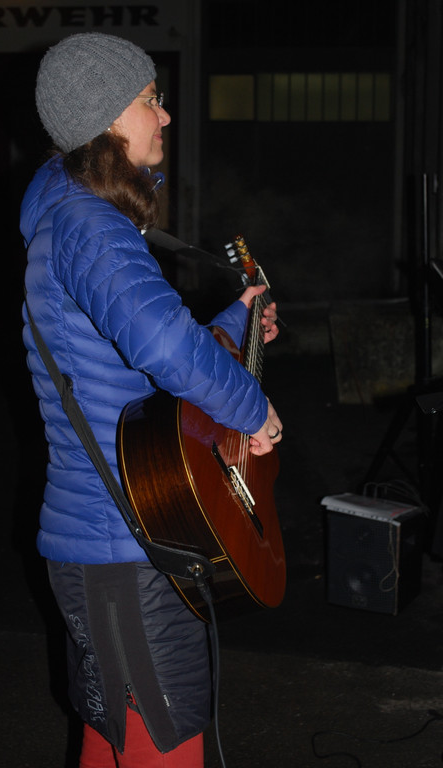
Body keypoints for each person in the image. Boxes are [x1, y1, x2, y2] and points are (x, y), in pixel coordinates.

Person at [21, 32, 282, 768]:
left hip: (125, 537)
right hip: (121, 543)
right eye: (149, 100)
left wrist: (233, 322)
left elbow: (141, 359)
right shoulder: (88, 224)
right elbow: (165, 349)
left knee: (122, 741)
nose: (164, 116)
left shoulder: (78, 218)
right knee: (160, 748)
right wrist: (252, 409)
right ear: (106, 117)